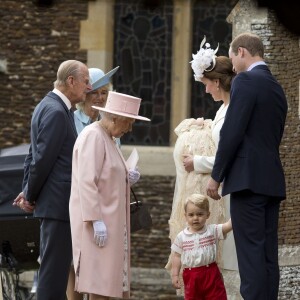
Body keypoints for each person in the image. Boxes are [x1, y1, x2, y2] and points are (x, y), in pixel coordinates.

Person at [206, 32, 288, 300]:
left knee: (250, 257)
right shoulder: (276, 87)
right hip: (271, 181)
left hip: (247, 180)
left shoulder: (245, 81)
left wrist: (216, 177)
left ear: (241, 52)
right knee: (266, 258)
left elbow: (233, 131)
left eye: (231, 56)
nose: (231, 63)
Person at [13, 60, 92, 300]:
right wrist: (30, 195)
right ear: (71, 81)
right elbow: (41, 159)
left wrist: (28, 189)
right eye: (86, 82)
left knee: (55, 276)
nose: (88, 88)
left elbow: (33, 154)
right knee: (53, 278)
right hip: (58, 206)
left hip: (56, 205)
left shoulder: (49, 106)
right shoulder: (57, 111)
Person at [166, 36, 239, 297]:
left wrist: (197, 161)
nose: (206, 90)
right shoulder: (221, 110)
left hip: (227, 183)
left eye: (207, 84)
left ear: (217, 82)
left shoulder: (233, 110)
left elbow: (228, 152)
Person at [69, 91, 150, 300]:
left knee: (109, 282)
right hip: (99, 225)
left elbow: (107, 174)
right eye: (129, 122)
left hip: (112, 224)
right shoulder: (93, 136)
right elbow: (86, 181)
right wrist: (95, 220)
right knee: (100, 284)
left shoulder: (108, 137)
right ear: (115, 118)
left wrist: (126, 177)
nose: (130, 128)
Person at [171, 193, 232, 300]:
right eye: (191, 215)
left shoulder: (212, 230)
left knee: (217, 297)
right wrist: (175, 275)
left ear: (207, 215)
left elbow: (228, 226)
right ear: (185, 216)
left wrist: (240, 209)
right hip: (191, 276)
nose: (195, 218)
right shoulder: (181, 237)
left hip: (211, 273)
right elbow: (176, 256)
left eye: (200, 214)